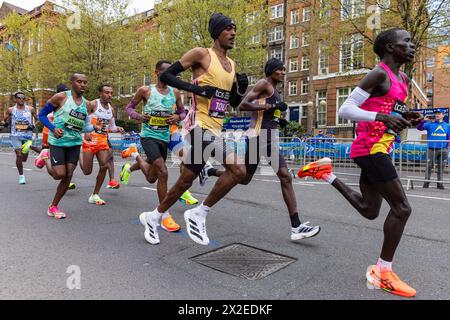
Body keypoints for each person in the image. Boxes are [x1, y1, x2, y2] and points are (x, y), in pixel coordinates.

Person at [298, 28, 422, 298]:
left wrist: (405, 117)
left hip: (381, 147)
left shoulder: (401, 77)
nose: (412, 46)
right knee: (402, 209)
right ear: (390, 47)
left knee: (369, 210)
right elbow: (345, 110)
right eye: (407, 42)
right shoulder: (379, 73)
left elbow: (389, 111)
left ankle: (326, 174)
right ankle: (383, 272)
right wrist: (381, 117)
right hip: (370, 149)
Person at [133, 13, 248, 245]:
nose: (233, 33)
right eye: (228, 29)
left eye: (234, 29)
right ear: (217, 32)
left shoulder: (232, 65)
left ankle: (153, 217)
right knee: (238, 170)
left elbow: (232, 103)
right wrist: (196, 90)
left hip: (216, 127)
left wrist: (241, 89)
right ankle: (199, 213)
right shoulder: (201, 54)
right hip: (198, 125)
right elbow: (168, 74)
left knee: (186, 180)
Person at [204, 58, 321, 241]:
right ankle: (296, 226)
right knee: (284, 177)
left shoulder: (275, 90)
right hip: (259, 136)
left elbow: (265, 113)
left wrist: (278, 118)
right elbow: (243, 105)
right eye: (280, 69)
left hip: (267, 136)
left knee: (244, 178)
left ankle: (210, 171)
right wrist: (272, 106)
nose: (283, 72)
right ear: (272, 70)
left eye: (284, 70)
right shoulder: (263, 84)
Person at [122, 60, 189, 232]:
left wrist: (177, 117)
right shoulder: (145, 90)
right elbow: (128, 108)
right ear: (157, 72)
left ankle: (134, 156)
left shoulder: (175, 92)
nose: (169, 75)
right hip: (148, 136)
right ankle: (164, 215)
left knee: (152, 177)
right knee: (163, 172)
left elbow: (182, 112)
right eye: (165, 72)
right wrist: (137, 115)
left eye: (171, 72)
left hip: (163, 138)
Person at [35, 73, 94, 219]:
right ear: (72, 82)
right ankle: (46, 157)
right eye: (79, 81)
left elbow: (85, 127)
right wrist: (53, 128)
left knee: (68, 175)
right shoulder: (61, 97)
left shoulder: (87, 104)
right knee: (59, 174)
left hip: (74, 143)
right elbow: (41, 115)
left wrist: (95, 127)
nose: (83, 85)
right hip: (58, 142)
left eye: (85, 82)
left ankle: (53, 206)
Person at [79, 84, 124, 205]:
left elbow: (111, 126)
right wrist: (86, 131)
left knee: (104, 165)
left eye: (111, 93)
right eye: (106, 92)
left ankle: (95, 194)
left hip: (102, 140)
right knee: (87, 171)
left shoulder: (111, 108)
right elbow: (82, 118)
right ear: (100, 93)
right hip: (90, 140)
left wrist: (117, 128)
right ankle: (80, 154)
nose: (109, 95)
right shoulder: (93, 104)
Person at [0, 91, 40, 184]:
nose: (21, 99)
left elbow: (38, 120)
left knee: (24, 158)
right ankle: (21, 176)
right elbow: (4, 120)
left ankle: (24, 155)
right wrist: (5, 124)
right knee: (19, 154)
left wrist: (33, 125)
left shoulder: (31, 109)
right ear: (15, 99)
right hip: (15, 136)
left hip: (27, 136)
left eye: (23, 97)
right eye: (19, 98)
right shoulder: (11, 110)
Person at [417, 109, 450, 189]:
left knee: (441, 167)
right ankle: (426, 183)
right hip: (431, 149)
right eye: (436, 114)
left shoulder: (447, 125)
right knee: (429, 166)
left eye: (439, 113)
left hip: (443, 149)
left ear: (443, 115)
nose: (437, 115)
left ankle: (440, 183)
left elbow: (449, 137)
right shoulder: (429, 124)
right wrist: (423, 121)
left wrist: (447, 146)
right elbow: (419, 128)